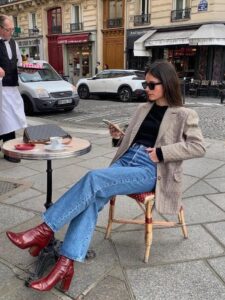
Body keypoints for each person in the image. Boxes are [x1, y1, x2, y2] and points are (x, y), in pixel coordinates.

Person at [6, 60, 205, 292]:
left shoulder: (184, 114)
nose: (147, 89)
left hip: (151, 169)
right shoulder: (142, 109)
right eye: (145, 84)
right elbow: (130, 141)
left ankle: (44, 229)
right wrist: (117, 138)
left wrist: (161, 153)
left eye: (152, 85)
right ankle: (65, 264)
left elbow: (198, 147)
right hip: (128, 159)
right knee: (91, 201)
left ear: (167, 84)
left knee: (93, 178)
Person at [0, 15, 27, 162]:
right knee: (5, 119)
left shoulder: (13, 43)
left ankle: (8, 149)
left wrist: (25, 70)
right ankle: (9, 151)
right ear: (0, 28)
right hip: (0, 87)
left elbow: (17, 63)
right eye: (8, 29)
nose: (10, 32)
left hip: (11, 85)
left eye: (11, 29)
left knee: (11, 118)